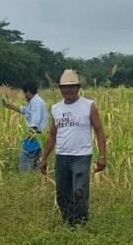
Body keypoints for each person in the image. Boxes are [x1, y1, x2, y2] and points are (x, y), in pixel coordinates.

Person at [39, 70, 107, 225]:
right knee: (62, 194)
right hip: (62, 156)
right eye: (64, 87)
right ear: (60, 89)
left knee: (79, 192)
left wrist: (102, 156)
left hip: (81, 156)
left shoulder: (88, 106)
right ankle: (69, 222)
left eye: (72, 87)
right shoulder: (56, 108)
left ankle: (81, 222)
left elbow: (99, 131)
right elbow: (52, 135)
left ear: (78, 88)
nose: (68, 90)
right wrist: (44, 158)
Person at [2, 81, 48, 171]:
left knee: (25, 159)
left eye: (24, 93)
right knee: (36, 159)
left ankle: (24, 176)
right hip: (40, 135)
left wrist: (30, 134)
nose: (24, 95)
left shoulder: (36, 103)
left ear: (28, 92)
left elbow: (35, 119)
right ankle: (35, 178)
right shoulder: (35, 101)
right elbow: (25, 110)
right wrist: (11, 106)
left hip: (35, 134)